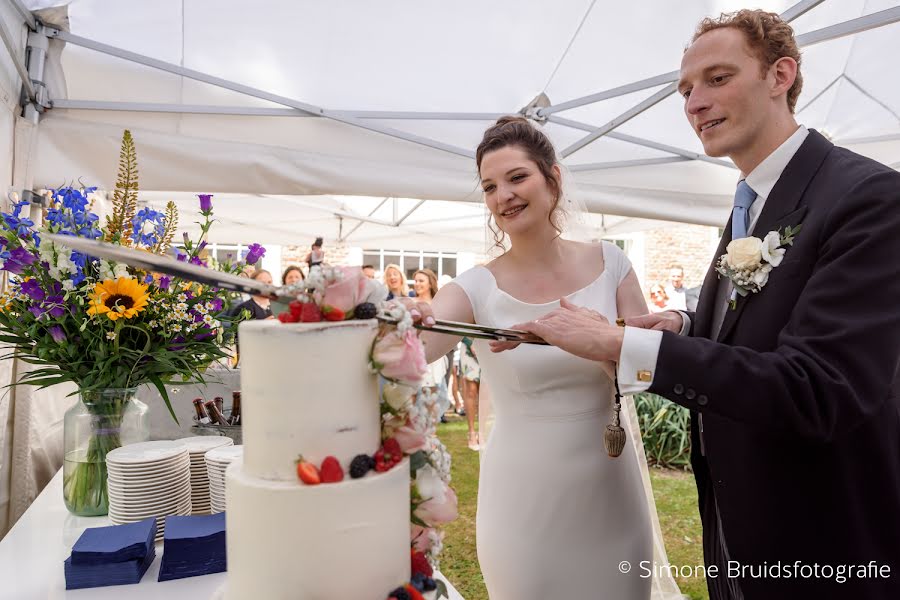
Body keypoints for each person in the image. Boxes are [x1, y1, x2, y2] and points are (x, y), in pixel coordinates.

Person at [502, 10, 900, 600]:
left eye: (717, 78)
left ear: (780, 75)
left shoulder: (869, 198)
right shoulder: (751, 200)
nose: (693, 103)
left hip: (822, 541)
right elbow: (762, 324)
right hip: (738, 529)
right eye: (686, 89)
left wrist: (623, 345)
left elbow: (819, 388)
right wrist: (686, 322)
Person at [415, 116, 658, 598]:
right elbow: (423, 342)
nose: (502, 195)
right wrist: (406, 317)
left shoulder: (613, 264)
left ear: (554, 178)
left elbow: (648, 369)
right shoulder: (477, 284)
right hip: (521, 496)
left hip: (610, 489)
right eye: (489, 186)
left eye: (517, 177)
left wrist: (599, 339)